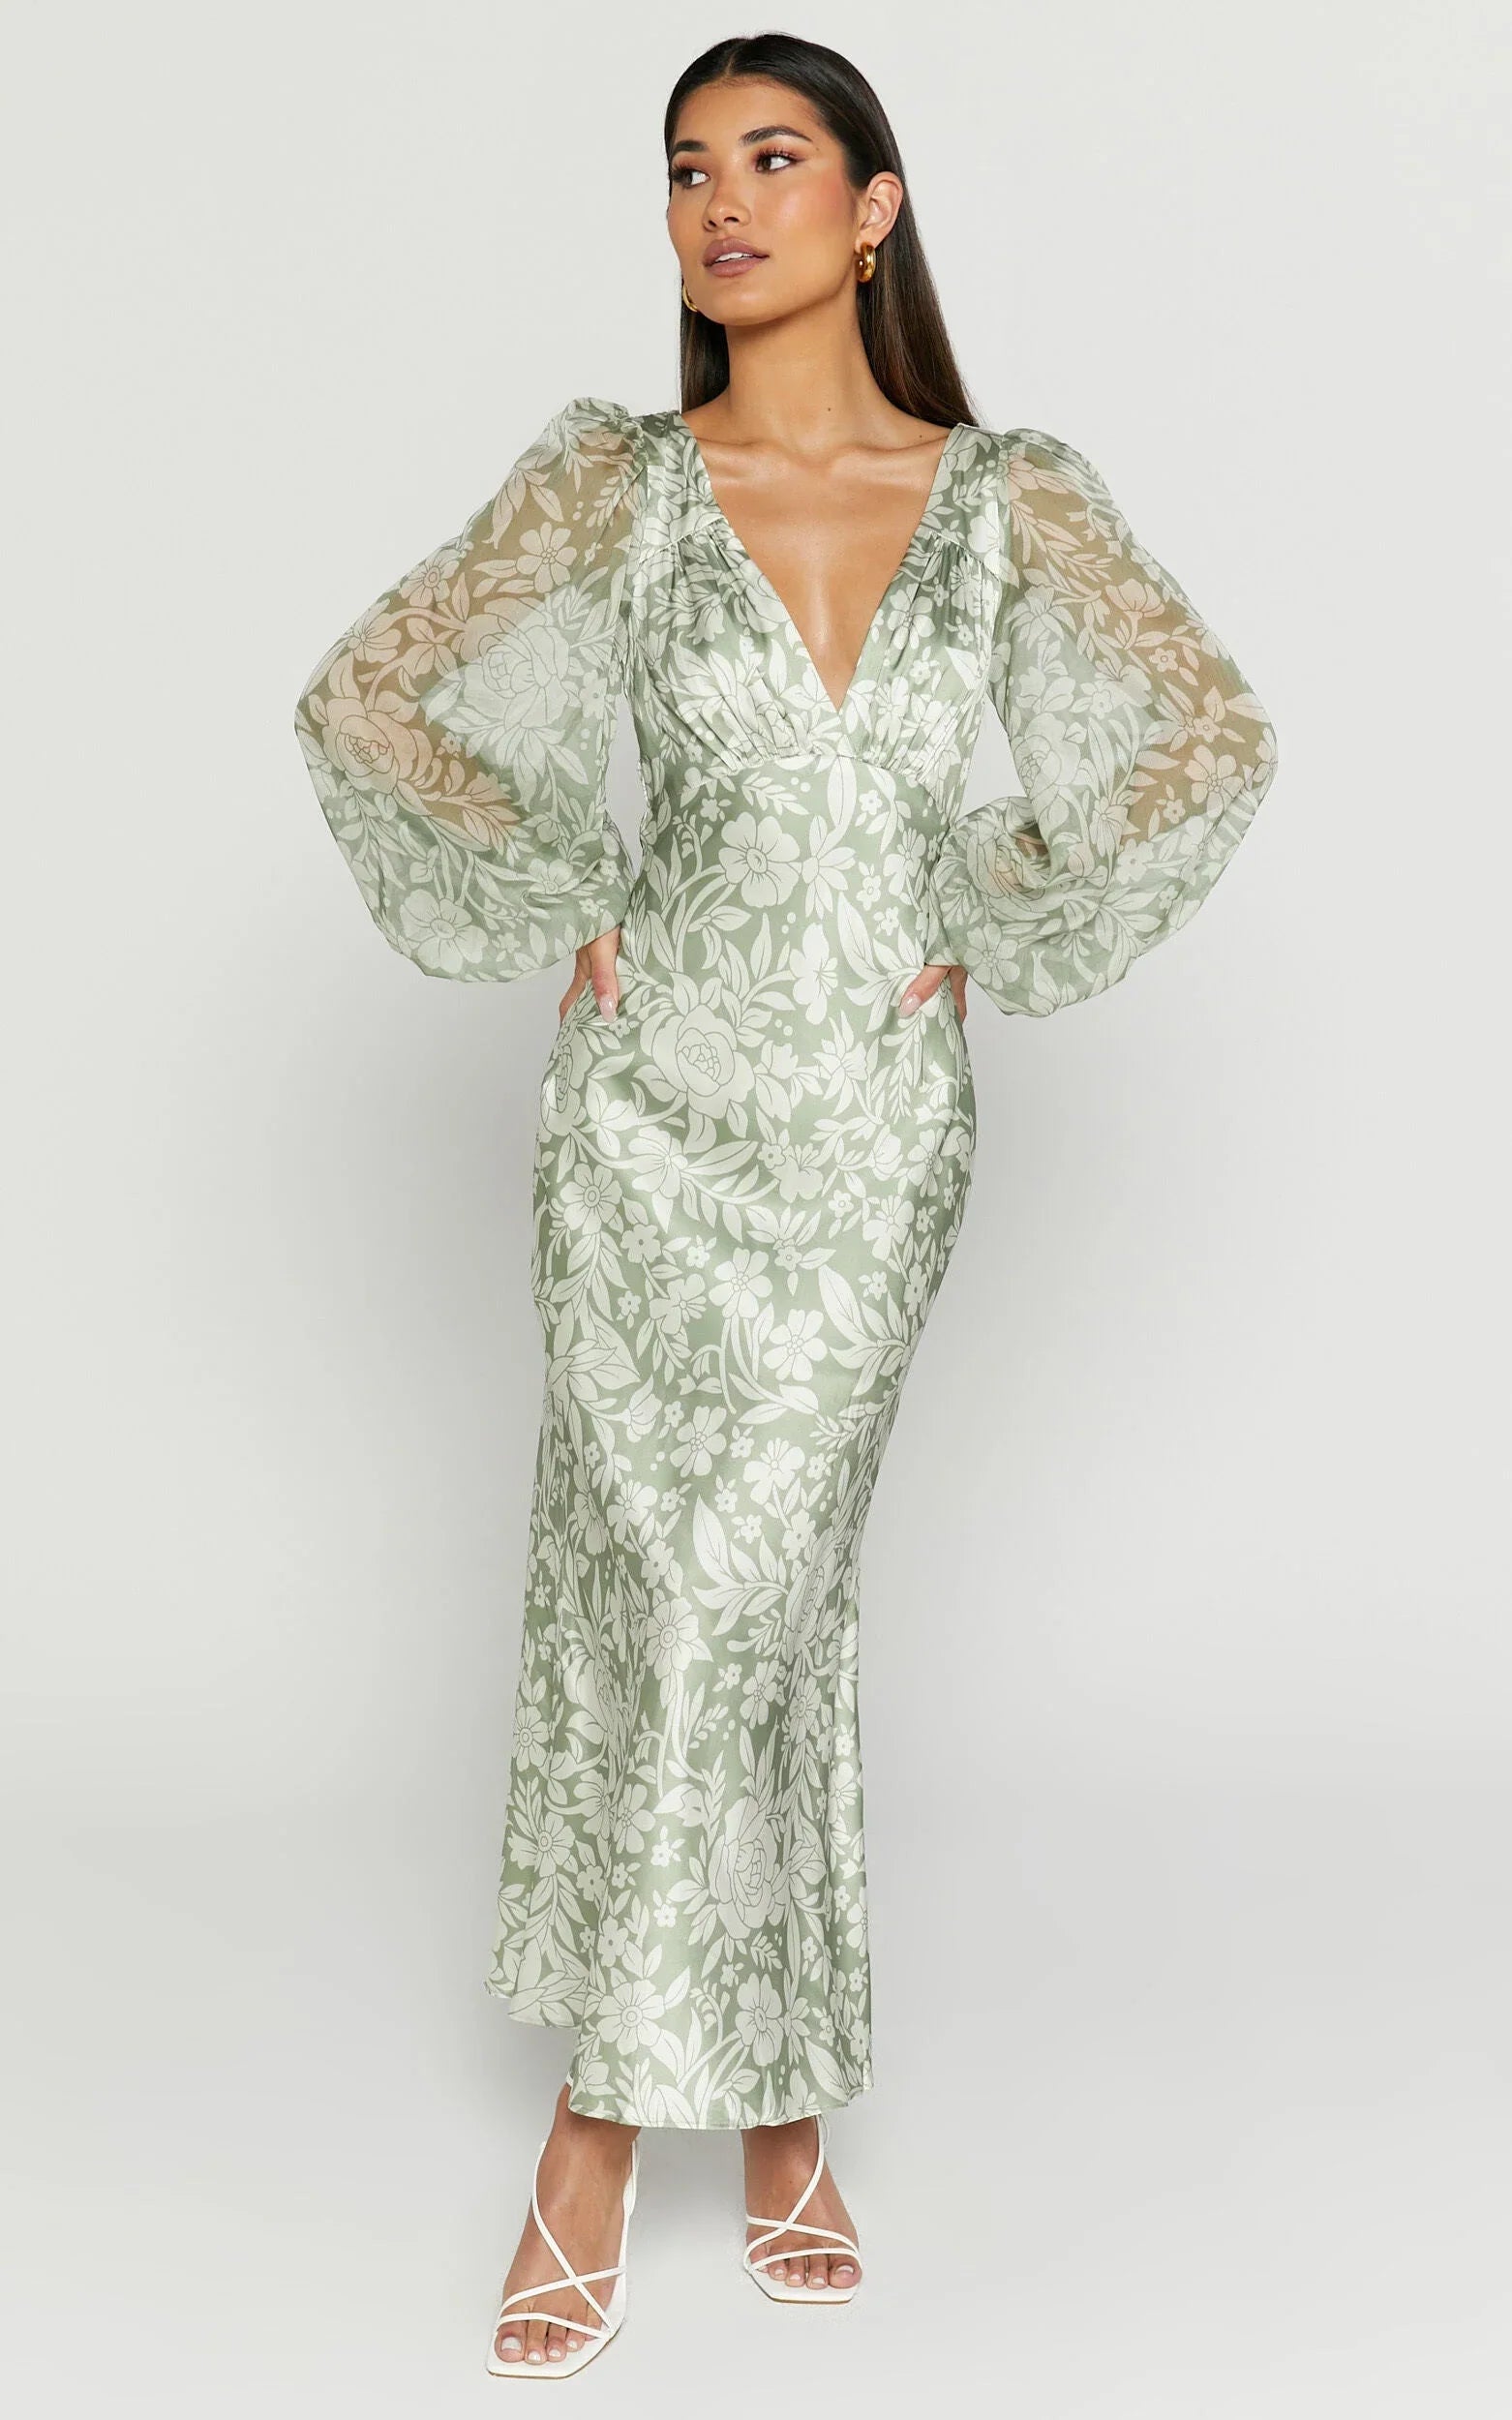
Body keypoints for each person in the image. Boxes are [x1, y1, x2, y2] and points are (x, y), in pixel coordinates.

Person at [293, 28, 1278, 2380]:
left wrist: (992, 894)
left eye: (769, 158)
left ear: (872, 207)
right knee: (670, 1586)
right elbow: (372, 696)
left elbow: (1205, 734)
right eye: (683, 169)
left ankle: (596, 2127)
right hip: (646, 1115)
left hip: (866, 1121)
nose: (719, 203)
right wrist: (567, 884)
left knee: (762, 1576)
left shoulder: (1003, 495)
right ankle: (772, 2108)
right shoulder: (618, 486)